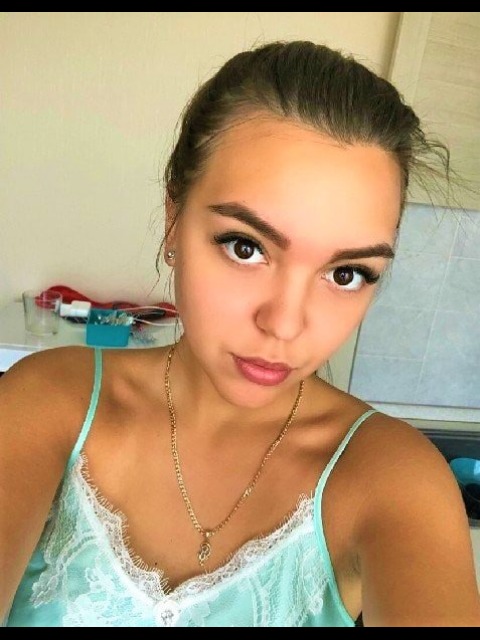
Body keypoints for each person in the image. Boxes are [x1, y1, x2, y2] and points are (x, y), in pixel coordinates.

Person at [1, 40, 479, 628]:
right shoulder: (48, 402)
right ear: (173, 220)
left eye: (346, 274)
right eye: (245, 247)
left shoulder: (393, 479)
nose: (284, 324)